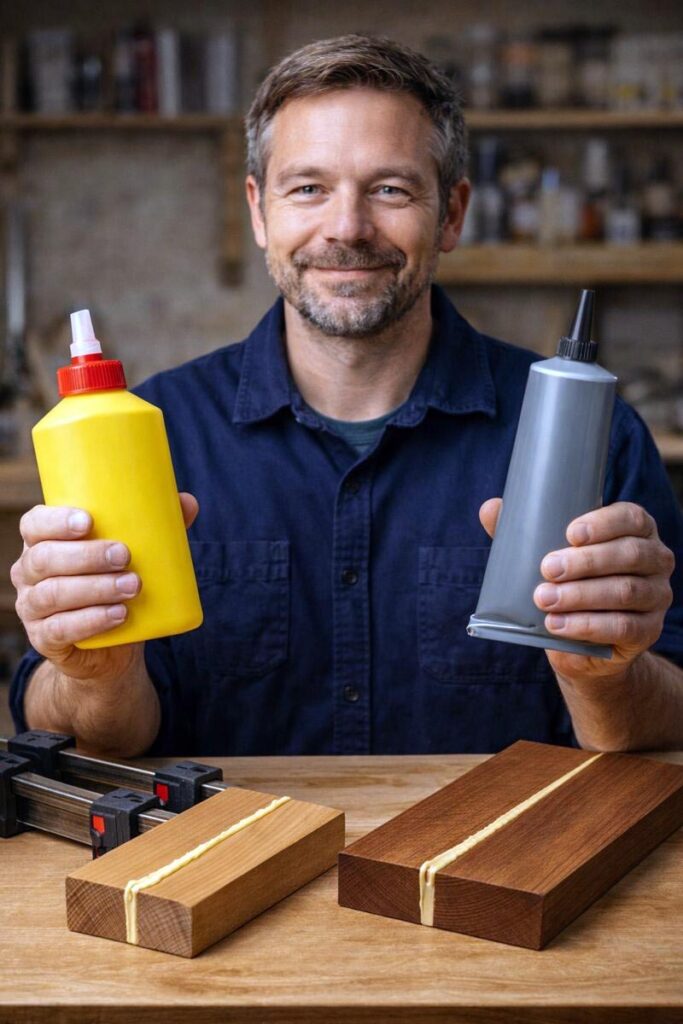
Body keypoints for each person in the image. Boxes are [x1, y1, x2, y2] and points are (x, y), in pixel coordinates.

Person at [9, 35, 683, 758]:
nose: (346, 228)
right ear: (259, 211)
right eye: (307, 188)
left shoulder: (591, 434)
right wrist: (97, 676)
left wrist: (602, 674)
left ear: (451, 213)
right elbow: (75, 735)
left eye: (389, 189)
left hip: (500, 864)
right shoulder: (151, 434)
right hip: (219, 865)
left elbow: (664, 720)